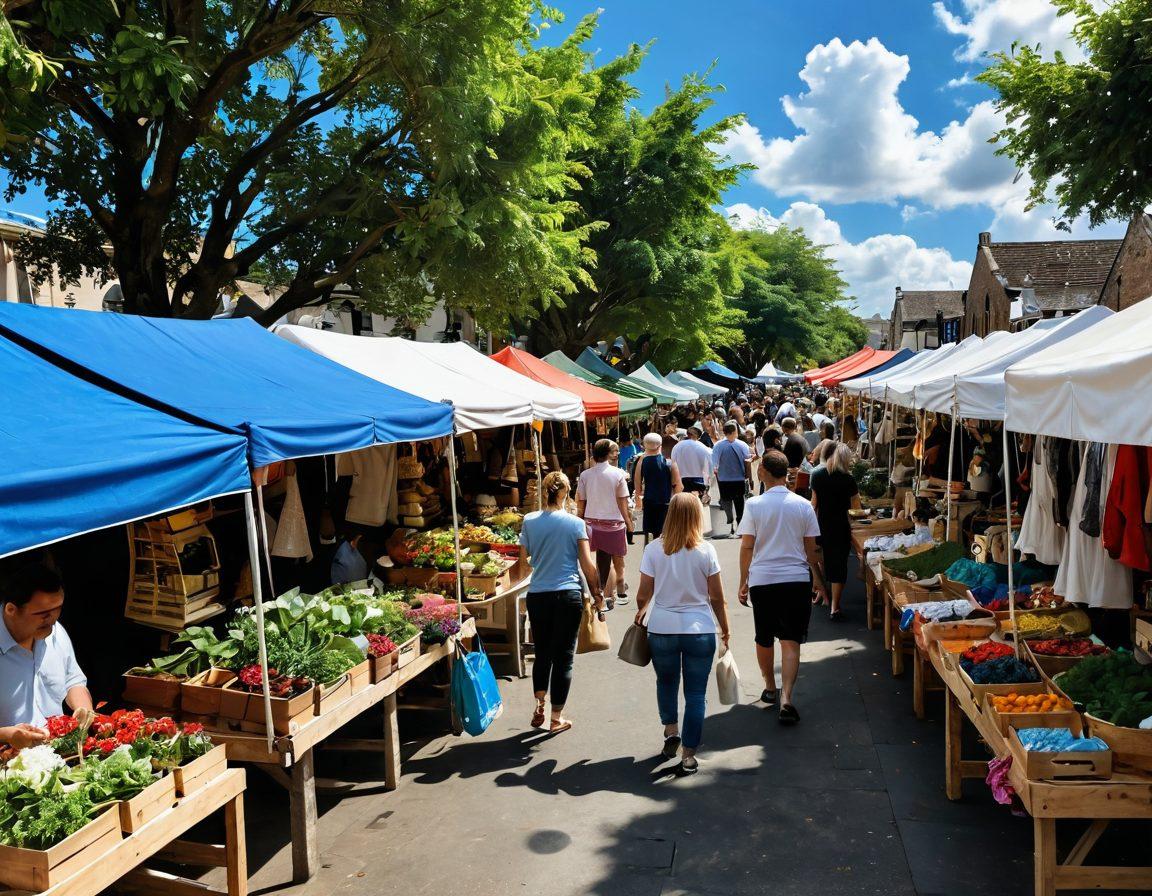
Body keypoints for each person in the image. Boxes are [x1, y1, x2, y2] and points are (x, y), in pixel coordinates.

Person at [633, 494, 731, 775]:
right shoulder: (706, 551)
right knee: (696, 694)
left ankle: (670, 731)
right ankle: (688, 755)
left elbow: (643, 594)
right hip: (698, 630)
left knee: (665, 682)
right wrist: (725, 628)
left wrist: (642, 610)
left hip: (662, 628)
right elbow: (716, 597)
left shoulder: (653, 550)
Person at [737, 451, 827, 724]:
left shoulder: (754, 505)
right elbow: (812, 550)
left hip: (763, 579)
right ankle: (787, 697)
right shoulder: (802, 506)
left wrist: (743, 580)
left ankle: (769, 687)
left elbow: (747, 545)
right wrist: (819, 582)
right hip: (796, 580)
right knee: (791, 640)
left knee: (764, 636)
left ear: (762, 471)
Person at [520, 472, 604, 733]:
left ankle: (540, 704)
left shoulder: (529, 521)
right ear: (565, 492)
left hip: (538, 594)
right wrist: (598, 595)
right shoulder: (575, 524)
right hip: (567, 594)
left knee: (543, 652)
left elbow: (524, 563)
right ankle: (556, 717)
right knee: (564, 657)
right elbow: (588, 567)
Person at [0, 564, 93, 749]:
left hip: (58, 752)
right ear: (11, 610)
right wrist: (5, 735)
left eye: (58, 609)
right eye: (43, 614)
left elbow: (73, 680)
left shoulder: (56, 632)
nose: (52, 619)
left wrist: (84, 709)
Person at [576, 439, 633, 608]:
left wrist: (579, 522)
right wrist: (629, 522)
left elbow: (581, 504)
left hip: (591, 523)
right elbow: (623, 502)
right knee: (616, 560)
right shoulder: (618, 474)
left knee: (600, 561)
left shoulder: (585, 475)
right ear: (608, 454)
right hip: (614, 523)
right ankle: (613, 592)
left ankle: (602, 593)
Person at [809, 443, 861, 619]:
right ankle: (835, 607)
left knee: (824, 559)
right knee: (839, 566)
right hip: (841, 527)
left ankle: (825, 594)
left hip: (821, 525)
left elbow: (813, 504)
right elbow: (856, 509)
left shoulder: (817, 476)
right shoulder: (849, 479)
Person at [635, 433, 683, 543]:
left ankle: (650, 557)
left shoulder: (641, 462)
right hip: (666, 503)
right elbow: (678, 485)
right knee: (667, 535)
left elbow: (637, 484)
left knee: (650, 536)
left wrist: (638, 500)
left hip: (649, 504)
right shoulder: (669, 462)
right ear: (660, 445)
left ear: (644, 446)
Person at [711, 422, 752, 537]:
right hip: (739, 479)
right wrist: (750, 478)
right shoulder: (742, 445)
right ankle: (740, 525)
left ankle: (730, 521)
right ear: (735, 432)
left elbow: (714, 464)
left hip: (724, 479)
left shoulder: (718, 445)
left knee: (726, 501)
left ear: (724, 432)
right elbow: (747, 461)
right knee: (739, 503)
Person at [672, 423, 713, 499]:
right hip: (698, 480)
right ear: (699, 436)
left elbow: (673, 462)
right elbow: (710, 465)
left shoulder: (677, 446)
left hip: (681, 479)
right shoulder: (703, 447)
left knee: (683, 503)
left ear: (687, 434)